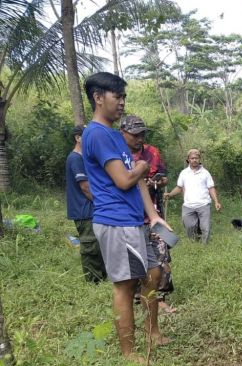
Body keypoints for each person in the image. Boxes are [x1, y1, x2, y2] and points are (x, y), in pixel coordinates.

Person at [82, 72, 171, 363]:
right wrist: (143, 167)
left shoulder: (114, 135)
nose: (121, 103)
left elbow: (139, 181)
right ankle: (129, 352)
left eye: (123, 97)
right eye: (116, 96)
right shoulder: (96, 133)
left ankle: (153, 333)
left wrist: (154, 215)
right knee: (125, 285)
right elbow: (124, 180)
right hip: (116, 222)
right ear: (98, 98)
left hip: (135, 220)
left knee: (154, 274)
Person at [119, 115, 176, 314]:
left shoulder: (152, 152)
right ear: (122, 133)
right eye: (135, 134)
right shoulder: (117, 155)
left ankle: (160, 297)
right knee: (134, 259)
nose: (140, 138)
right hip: (129, 217)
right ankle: (137, 296)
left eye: (142, 134)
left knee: (163, 253)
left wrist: (157, 182)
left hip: (154, 213)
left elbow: (164, 178)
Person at [65, 124, 107, 283]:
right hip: (84, 210)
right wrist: (103, 204)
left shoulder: (84, 158)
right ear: (78, 138)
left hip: (92, 209)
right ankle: (93, 281)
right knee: (90, 246)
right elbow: (85, 187)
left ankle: (102, 277)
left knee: (99, 245)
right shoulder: (75, 158)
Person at [164, 149, 221, 244]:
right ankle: (194, 244)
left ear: (199, 159)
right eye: (192, 158)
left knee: (205, 228)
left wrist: (216, 202)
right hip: (188, 205)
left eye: (196, 158)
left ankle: (205, 247)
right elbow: (179, 188)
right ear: (188, 159)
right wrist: (169, 194)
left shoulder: (205, 173)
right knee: (189, 226)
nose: (194, 160)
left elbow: (211, 188)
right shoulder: (184, 173)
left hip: (204, 204)